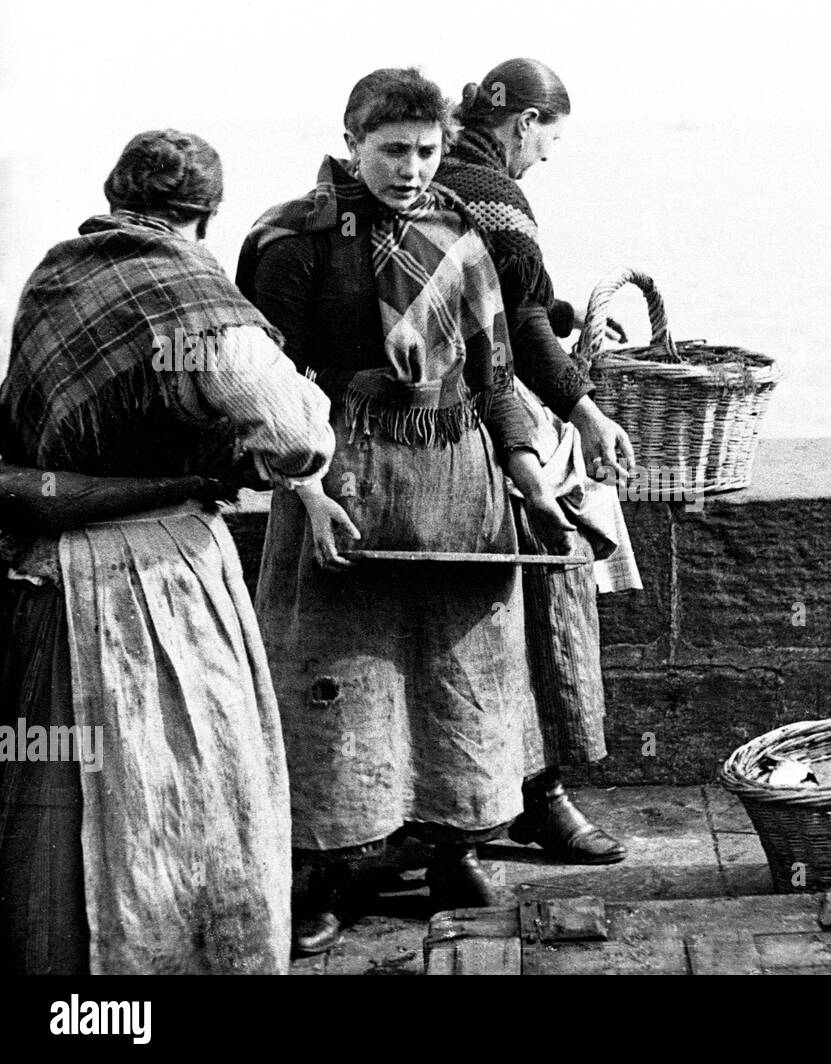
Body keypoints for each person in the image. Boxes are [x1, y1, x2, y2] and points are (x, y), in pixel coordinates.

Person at [237, 67, 576, 955]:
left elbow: (493, 373)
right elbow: (270, 388)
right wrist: (306, 492)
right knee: (336, 681)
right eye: (391, 150)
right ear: (351, 143)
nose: (412, 167)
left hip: (456, 476)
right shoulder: (292, 240)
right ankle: (324, 872)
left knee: (457, 673)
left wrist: (529, 473)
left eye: (427, 149)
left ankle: (454, 844)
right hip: (341, 479)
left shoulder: (459, 230)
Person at [0, 129, 336, 974]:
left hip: (44, 574)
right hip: (156, 577)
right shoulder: (189, 293)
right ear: (205, 216)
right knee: (182, 785)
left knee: (54, 797)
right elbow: (292, 435)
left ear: (115, 197)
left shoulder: (55, 274)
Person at [437, 58, 641, 864]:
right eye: (549, 137)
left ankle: (505, 801)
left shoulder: (434, 181)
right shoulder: (493, 194)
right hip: (468, 424)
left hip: (409, 424)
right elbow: (517, 328)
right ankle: (540, 792)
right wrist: (585, 410)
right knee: (549, 579)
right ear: (522, 122)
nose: (547, 156)